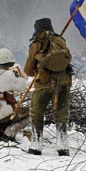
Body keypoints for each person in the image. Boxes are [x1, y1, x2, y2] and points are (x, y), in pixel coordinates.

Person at [24, 18, 72, 156]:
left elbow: (28, 69)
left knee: (37, 113)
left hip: (43, 84)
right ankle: (63, 147)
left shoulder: (36, 43)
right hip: (63, 83)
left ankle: (36, 145)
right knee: (61, 115)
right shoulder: (60, 40)